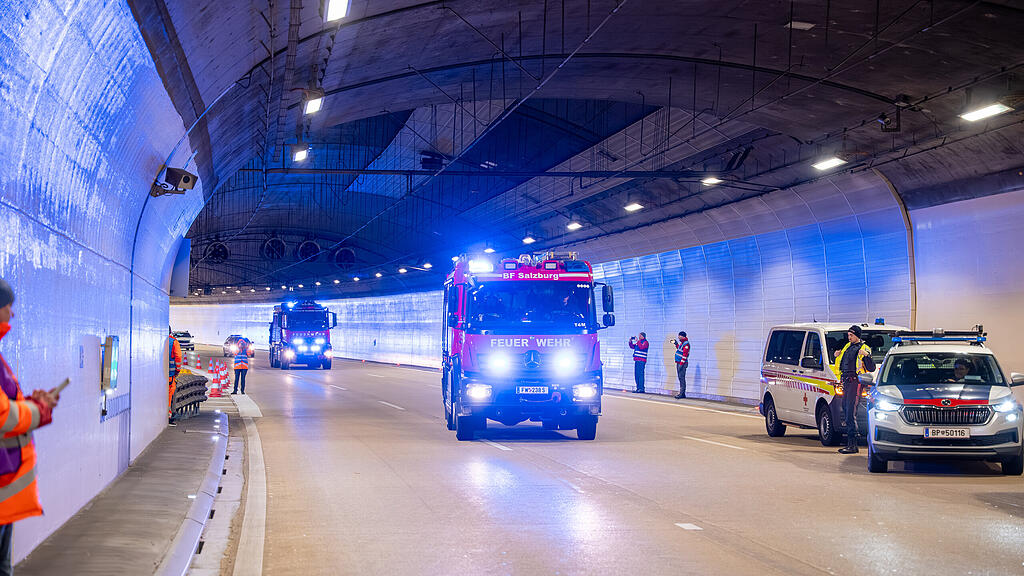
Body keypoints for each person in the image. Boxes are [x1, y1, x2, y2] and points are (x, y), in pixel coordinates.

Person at [0, 279, 59, 575]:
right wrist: (39, 409)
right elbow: (4, 416)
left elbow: (10, 403)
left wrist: (31, 402)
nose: (13, 314)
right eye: (8, 306)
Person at [833, 325, 875, 454]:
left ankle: (853, 444)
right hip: (846, 381)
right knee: (846, 409)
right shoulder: (847, 346)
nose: (849, 337)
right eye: (848, 335)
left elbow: (871, 367)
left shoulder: (864, 348)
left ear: (857, 335)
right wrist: (837, 355)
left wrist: (867, 356)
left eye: (851, 335)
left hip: (855, 382)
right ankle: (850, 444)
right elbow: (843, 362)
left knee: (851, 411)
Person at [167, 328, 183, 426]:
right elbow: (178, 357)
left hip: (156, 375)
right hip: (170, 374)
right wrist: (177, 370)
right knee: (170, 395)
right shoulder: (173, 341)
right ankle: (169, 417)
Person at [672, 331, 690, 399]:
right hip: (679, 363)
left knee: (682, 378)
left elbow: (685, 355)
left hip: (682, 363)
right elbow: (679, 349)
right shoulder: (682, 343)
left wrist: (681, 364)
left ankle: (682, 393)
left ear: (683, 336)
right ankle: (682, 393)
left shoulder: (686, 344)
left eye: (679, 336)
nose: (678, 337)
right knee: (680, 378)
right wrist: (676, 344)